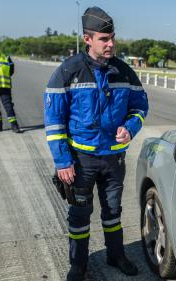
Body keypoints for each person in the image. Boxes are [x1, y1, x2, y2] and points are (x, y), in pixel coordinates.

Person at [44, 6, 148, 281]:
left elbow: (140, 107)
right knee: (79, 216)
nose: (111, 43)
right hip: (80, 161)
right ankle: (78, 265)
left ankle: (116, 255)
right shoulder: (68, 71)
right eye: (104, 39)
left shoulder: (124, 71)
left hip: (114, 160)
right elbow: (54, 122)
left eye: (112, 37)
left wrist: (130, 127)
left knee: (113, 211)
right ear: (88, 39)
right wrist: (63, 161)